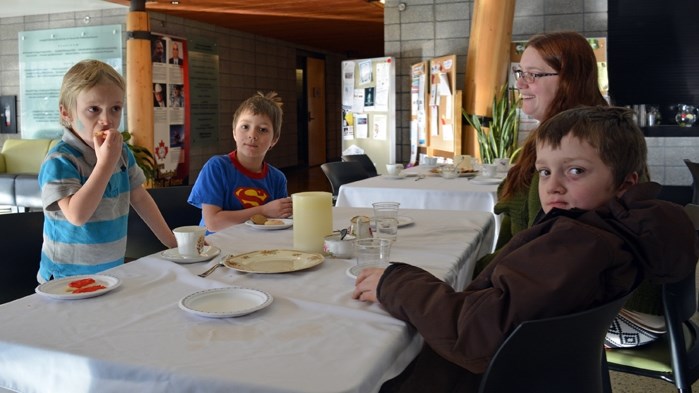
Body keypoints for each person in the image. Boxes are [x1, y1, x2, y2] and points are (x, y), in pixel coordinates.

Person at [352, 106, 699, 393]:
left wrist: (395, 282)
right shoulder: (607, 234)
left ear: (624, 185)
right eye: (545, 172)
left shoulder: (576, 247)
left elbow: (475, 334)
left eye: (576, 171)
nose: (554, 186)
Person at [38, 59, 177, 281]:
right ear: (66, 113)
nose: (107, 120)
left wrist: (171, 241)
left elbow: (139, 196)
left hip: (110, 270)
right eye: (93, 109)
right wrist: (104, 164)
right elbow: (77, 215)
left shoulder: (120, 153)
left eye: (115, 109)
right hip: (66, 276)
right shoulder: (61, 160)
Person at [188, 91, 292, 232]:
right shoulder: (217, 167)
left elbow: (280, 223)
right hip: (215, 247)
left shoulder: (277, 179)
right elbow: (213, 222)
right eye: (245, 127)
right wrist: (263, 211)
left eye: (262, 129)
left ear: (274, 140)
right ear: (234, 132)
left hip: (256, 247)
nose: (252, 135)